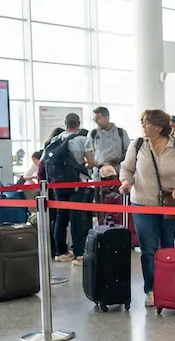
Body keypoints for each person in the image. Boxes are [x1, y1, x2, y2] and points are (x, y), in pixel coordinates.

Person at [120, 109, 175, 307]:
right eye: (143, 123)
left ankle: (169, 288)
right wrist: (126, 182)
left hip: (169, 205)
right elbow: (127, 169)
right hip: (143, 203)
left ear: (159, 127)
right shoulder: (137, 145)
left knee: (169, 247)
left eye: (147, 123)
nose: (143, 126)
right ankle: (151, 289)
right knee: (148, 248)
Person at [47, 113, 91, 265]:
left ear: (65, 123)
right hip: (77, 182)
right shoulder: (83, 139)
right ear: (78, 124)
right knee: (77, 217)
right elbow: (91, 162)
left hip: (58, 183)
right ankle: (79, 253)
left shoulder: (55, 139)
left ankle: (61, 252)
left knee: (61, 216)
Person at [89, 106, 129, 174]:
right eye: (94, 119)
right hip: (99, 173)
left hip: (117, 172)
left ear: (107, 117)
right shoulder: (93, 134)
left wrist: (116, 161)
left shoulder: (121, 133)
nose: (96, 121)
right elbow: (88, 153)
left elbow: (128, 152)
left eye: (98, 118)